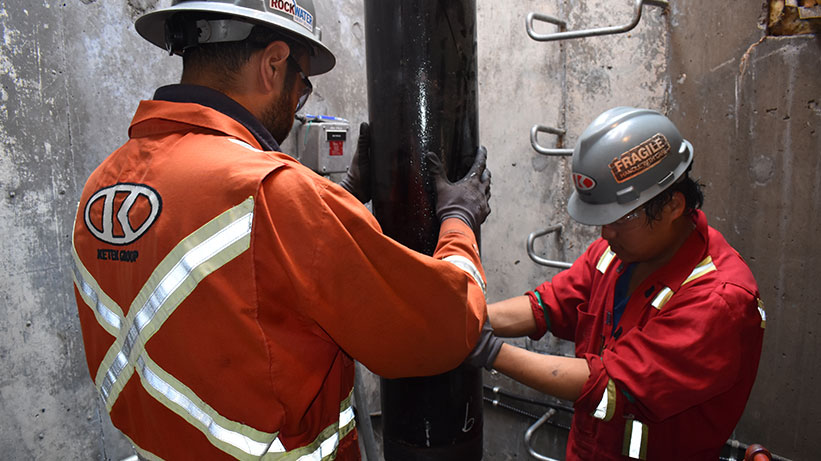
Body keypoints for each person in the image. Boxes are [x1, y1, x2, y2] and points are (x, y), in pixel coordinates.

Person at [71, 1, 491, 460]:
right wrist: (459, 220)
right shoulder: (274, 193)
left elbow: (235, 297)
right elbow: (445, 327)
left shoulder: (103, 187)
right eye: (303, 84)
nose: (297, 103)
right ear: (273, 64)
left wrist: (341, 200)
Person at [468, 107, 765, 460]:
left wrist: (488, 352)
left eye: (619, 219)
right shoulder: (618, 252)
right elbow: (548, 304)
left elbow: (612, 386)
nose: (605, 233)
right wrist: (469, 317)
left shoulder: (720, 301)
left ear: (672, 205)